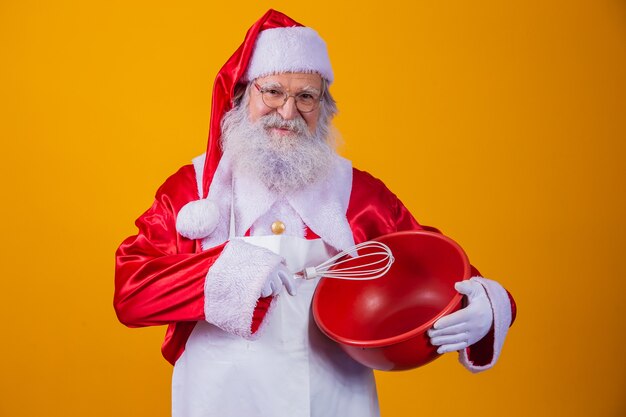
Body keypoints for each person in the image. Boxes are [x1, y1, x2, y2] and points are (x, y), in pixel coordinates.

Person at [114, 9, 516, 417]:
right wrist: (231, 272)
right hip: (224, 398)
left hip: (333, 400)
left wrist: (483, 305)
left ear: (323, 107)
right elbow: (131, 293)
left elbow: (440, 269)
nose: (288, 113)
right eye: (273, 92)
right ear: (242, 95)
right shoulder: (194, 189)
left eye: (306, 97)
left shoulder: (358, 192)